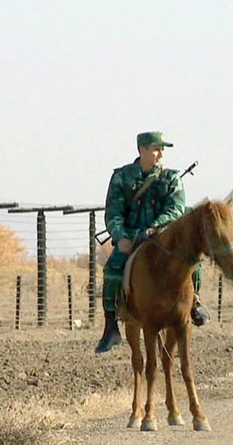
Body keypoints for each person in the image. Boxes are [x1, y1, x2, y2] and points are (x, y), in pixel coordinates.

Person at [95, 131, 210, 354]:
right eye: (156, 149)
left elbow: (176, 208)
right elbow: (113, 212)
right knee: (112, 270)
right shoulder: (122, 177)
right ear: (142, 150)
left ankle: (193, 303)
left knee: (192, 264)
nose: (160, 154)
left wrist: (156, 227)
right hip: (133, 237)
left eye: (162, 149)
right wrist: (121, 238)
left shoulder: (171, 178)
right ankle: (111, 326)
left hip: (165, 238)